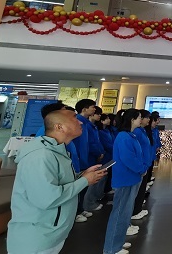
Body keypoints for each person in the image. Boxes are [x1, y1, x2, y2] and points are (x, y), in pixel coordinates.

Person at [7, 102, 106, 254]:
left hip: (52, 232)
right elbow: (47, 198)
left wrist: (82, 175)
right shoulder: (40, 156)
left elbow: (58, 181)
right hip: (36, 238)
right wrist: (85, 181)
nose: (80, 122)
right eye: (74, 118)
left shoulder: (58, 150)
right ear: (59, 127)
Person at [103, 109, 148, 254]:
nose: (141, 120)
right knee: (120, 214)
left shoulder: (130, 135)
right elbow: (128, 158)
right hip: (125, 179)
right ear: (132, 119)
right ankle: (112, 248)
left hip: (131, 178)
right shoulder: (124, 137)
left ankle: (118, 243)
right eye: (139, 117)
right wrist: (141, 169)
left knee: (125, 213)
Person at [72, 98, 97, 222]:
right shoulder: (77, 122)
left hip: (85, 160)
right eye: (92, 107)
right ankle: (75, 213)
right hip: (78, 161)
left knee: (84, 187)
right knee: (77, 188)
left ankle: (80, 209)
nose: (94, 109)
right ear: (84, 109)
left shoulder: (86, 123)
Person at [83, 106, 106, 213]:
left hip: (96, 157)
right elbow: (90, 144)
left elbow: (97, 142)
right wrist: (98, 153)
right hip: (90, 158)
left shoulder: (94, 126)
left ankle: (90, 203)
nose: (99, 116)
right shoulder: (87, 126)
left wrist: (101, 152)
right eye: (98, 114)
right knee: (89, 182)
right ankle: (87, 205)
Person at [131, 110, 153, 221]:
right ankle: (135, 211)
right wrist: (141, 166)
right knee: (137, 190)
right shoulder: (136, 132)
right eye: (146, 117)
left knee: (141, 188)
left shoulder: (142, 130)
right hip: (141, 165)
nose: (149, 120)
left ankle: (138, 208)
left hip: (145, 164)